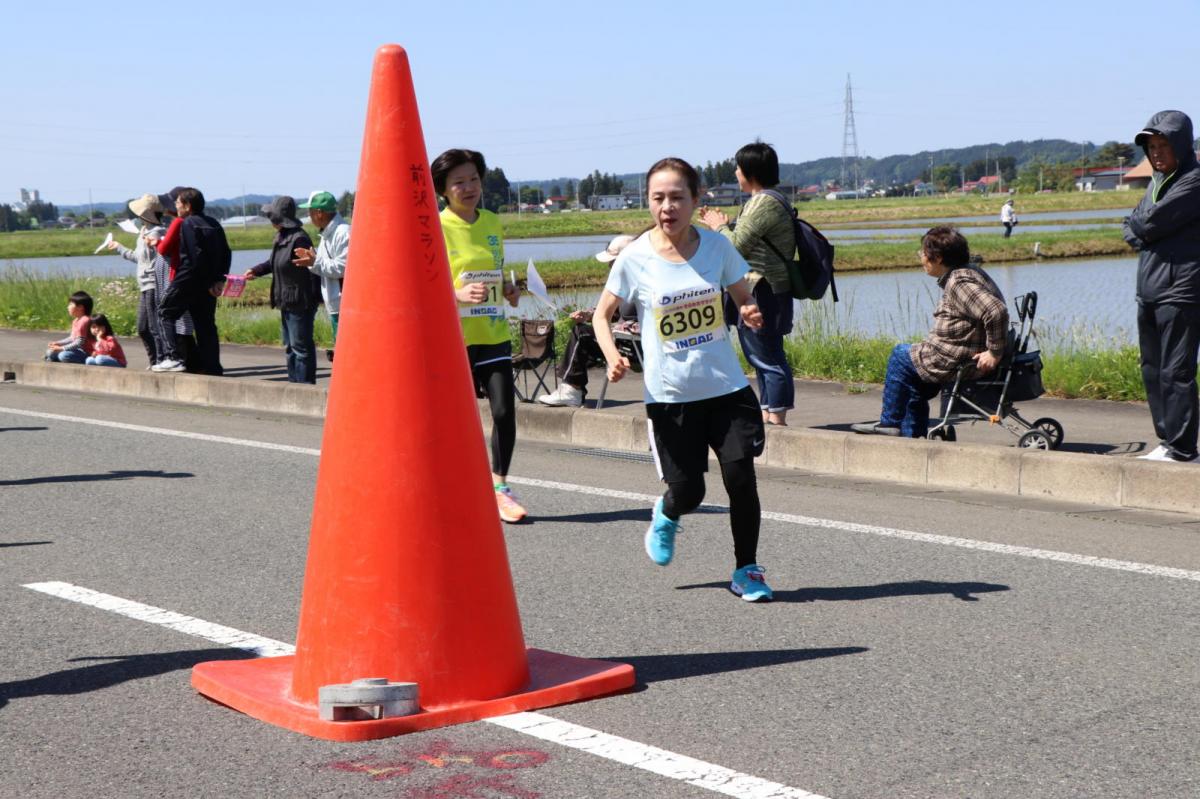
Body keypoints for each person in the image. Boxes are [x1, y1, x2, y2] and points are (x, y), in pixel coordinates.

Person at [592, 157, 773, 602]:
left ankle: (747, 570)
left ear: (695, 200)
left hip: (726, 388)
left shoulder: (717, 248)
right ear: (648, 202)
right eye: (658, 198)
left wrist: (749, 311)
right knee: (690, 490)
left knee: (741, 481)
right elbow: (602, 315)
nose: (667, 207)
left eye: (677, 197)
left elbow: (743, 296)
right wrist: (613, 355)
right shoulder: (634, 257)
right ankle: (668, 512)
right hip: (670, 396)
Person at [431, 148, 526, 523]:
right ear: (443, 190)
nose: (469, 187)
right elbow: (423, 282)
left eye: (473, 179)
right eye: (459, 182)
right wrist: (454, 293)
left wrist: (509, 288)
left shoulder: (491, 222)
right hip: (453, 338)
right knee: (454, 420)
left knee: (504, 411)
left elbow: (497, 271)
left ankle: (500, 485)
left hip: (492, 330)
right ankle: (453, 487)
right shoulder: (435, 226)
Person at [851, 227, 1008, 439]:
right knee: (913, 384)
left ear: (939, 258)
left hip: (955, 358)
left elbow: (995, 311)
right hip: (957, 353)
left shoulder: (959, 282)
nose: (921, 258)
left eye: (923, 253)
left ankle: (890, 422)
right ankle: (912, 437)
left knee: (900, 355)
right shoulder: (969, 271)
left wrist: (994, 352)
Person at [698, 141, 796, 426]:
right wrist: (725, 226)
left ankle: (776, 418)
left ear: (750, 171)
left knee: (767, 355)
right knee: (760, 355)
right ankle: (769, 414)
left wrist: (719, 227)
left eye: (738, 168)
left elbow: (736, 248)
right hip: (759, 287)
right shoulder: (765, 200)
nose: (735, 172)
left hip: (763, 288)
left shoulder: (763, 202)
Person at [1124, 109, 1200, 464]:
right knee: (1152, 369)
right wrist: (1141, 227)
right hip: (1149, 289)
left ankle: (1184, 448)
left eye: (1163, 145)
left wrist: (1142, 227)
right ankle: (1167, 441)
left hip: (1182, 290)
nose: (1156, 152)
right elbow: (1132, 227)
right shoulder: (1157, 183)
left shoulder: (1193, 181)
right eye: (1151, 146)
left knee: (1176, 371)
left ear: (1181, 145)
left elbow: (1150, 222)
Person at [537, 233, 640, 407]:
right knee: (582, 329)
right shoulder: (622, 282)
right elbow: (611, 313)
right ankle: (571, 387)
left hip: (635, 347)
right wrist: (588, 314)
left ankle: (572, 390)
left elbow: (645, 323)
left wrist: (616, 328)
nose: (609, 266)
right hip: (623, 341)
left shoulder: (642, 282)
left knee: (582, 334)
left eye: (612, 261)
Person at [243, 196, 320, 384]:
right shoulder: (282, 236)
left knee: (300, 347)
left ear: (278, 218)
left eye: (271, 216)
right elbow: (272, 263)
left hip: (300, 301)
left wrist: (314, 298)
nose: (270, 220)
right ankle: (294, 385)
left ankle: (305, 388)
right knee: (289, 347)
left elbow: (313, 268)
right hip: (285, 299)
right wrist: (256, 271)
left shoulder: (299, 238)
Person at [158, 187, 230, 376]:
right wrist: (218, 279)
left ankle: (173, 358)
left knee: (165, 312)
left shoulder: (188, 224)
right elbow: (226, 253)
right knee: (205, 325)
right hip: (208, 285)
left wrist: (182, 282)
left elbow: (193, 257)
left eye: (178, 203)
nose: (176, 206)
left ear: (188, 206)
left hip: (188, 280)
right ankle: (213, 367)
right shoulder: (213, 223)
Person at [108, 194, 170, 366]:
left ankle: (161, 360)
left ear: (145, 214)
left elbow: (162, 258)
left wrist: (155, 242)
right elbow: (140, 258)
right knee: (143, 328)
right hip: (144, 284)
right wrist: (119, 248)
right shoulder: (144, 232)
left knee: (153, 327)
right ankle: (156, 360)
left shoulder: (157, 232)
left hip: (153, 284)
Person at [292, 190, 350, 363]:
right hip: (336, 303)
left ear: (319, 212)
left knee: (347, 354)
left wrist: (314, 262)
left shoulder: (343, 233)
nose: (309, 216)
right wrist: (314, 257)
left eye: (310, 211)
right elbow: (328, 262)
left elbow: (344, 267)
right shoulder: (328, 233)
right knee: (343, 352)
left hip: (344, 305)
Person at [45, 291, 95, 364]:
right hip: (76, 350)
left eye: (71, 304)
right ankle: (52, 357)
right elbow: (72, 338)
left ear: (80, 307)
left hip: (86, 352)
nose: (68, 307)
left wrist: (62, 348)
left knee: (63, 355)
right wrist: (58, 343)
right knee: (50, 352)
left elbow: (79, 342)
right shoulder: (76, 321)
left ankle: (86, 360)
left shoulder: (85, 320)